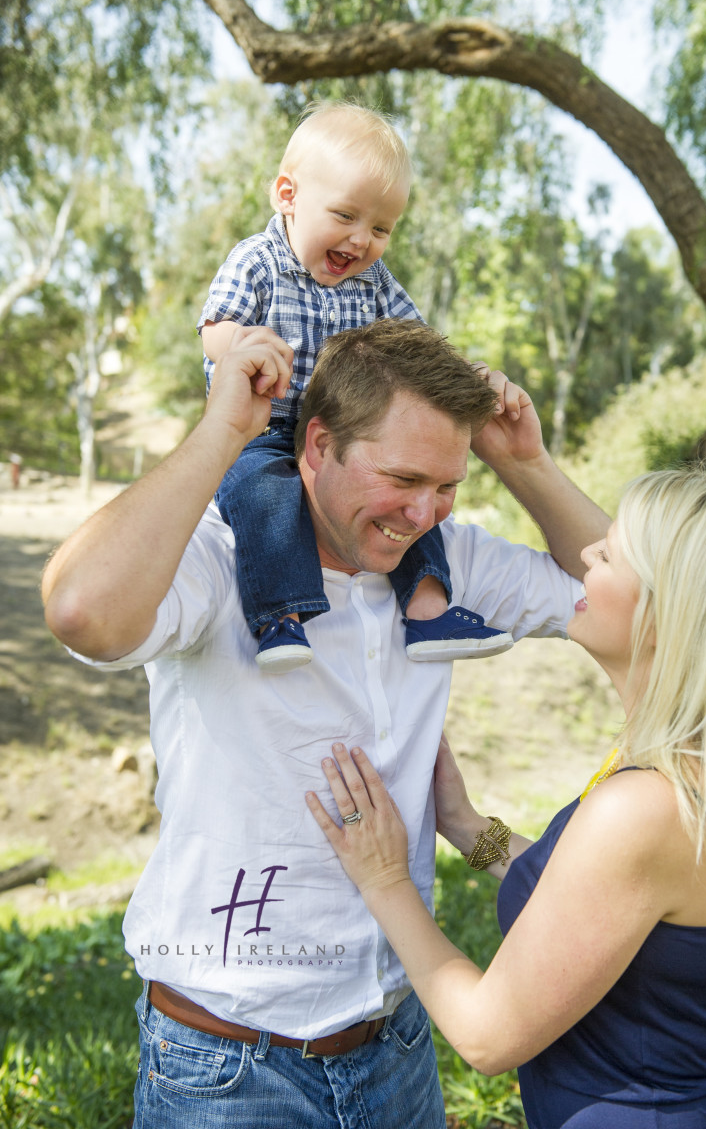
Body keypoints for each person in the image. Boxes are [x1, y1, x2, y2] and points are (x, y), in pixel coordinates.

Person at [42, 319, 609, 1129]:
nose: (422, 512)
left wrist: (527, 464)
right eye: (403, 477)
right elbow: (80, 610)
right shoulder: (218, 558)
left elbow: (635, 605)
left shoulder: (451, 566)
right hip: (230, 1069)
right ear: (316, 445)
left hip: (397, 1046)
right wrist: (221, 431)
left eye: (447, 486)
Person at [308, 460, 706, 1129]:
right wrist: (466, 826)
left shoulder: (647, 809)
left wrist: (386, 877)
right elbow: (589, 899)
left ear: (667, 614)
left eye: (612, 554)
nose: (586, 554)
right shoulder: (704, 767)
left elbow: (487, 1035)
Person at [199, 99, 512, 672]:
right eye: (345, 216)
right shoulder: (259, 262)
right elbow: (215, 328)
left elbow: (421, 347)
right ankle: (279, 617)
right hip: (266, 429)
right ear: (287, 196)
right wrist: (242, 348)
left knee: (413, 507)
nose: (361, 239)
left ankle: (427, 609)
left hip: (348, 435)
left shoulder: (375, 284)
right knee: (261, 493)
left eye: (381, 228)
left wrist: (470, 379)